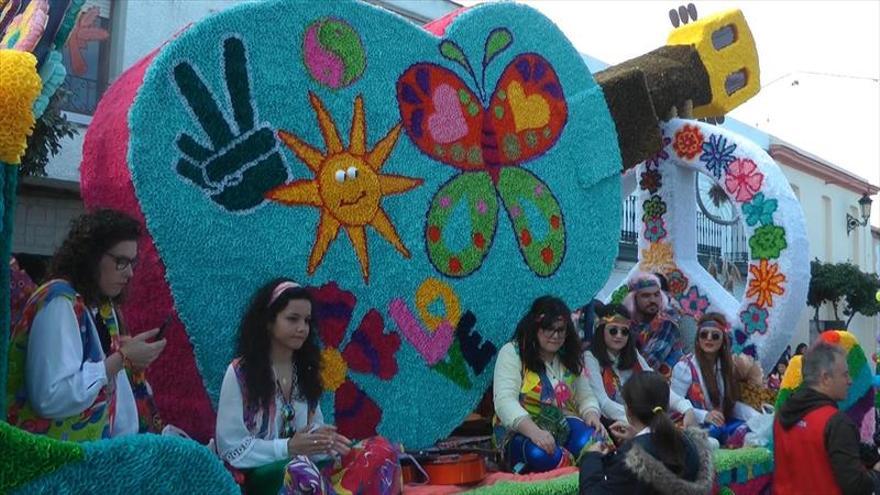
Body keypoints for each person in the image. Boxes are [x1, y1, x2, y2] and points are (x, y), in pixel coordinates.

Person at [215, 278, 400, 495]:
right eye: (293, 319)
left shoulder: (306, 370)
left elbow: (310, 433)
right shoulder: (240, 373)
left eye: (307, 321)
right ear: (268, 321)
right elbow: (231, 448)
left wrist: (324, 442)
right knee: (300, 471)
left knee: (380, 449)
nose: (302, 328)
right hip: (263, 475)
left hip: (307, 468)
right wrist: (288, 447)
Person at [6, 209, 165, 440]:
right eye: (121, 261)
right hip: (51, 465)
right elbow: (49, 399)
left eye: (133, 262)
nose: (130, 273)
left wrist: (127, 357)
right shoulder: (59, 303)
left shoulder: (98, 306)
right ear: (91, 257)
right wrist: (120, 360)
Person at [493, 296, 607, 473]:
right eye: (549, 329)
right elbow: (504, 402)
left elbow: (585, 395)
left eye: (561, 330)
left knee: (596, 442)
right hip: (521, 429)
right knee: (543, 455)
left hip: (563, 423)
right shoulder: (513, 352)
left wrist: (592, 414)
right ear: (535, 328)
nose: (556, 335)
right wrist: (535, 432)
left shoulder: (570, 354)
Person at [579, 372, 714, 494]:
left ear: (628, 410)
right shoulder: (690, 445)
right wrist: (638, 438)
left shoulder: (631, 459)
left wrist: (591, 458)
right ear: (666, 406)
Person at [774, 339, 880, 494]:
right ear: (825, 378)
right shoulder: (836, 423)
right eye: (845, 374)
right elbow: (855, 486)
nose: (850, 381)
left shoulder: (782, 414)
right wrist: (876, 473)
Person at [583, 303, 696, 428]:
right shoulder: (591, 357)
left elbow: (656, 386)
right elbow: (603, 402)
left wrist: (685, 407)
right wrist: (641, 422)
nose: (619, 336)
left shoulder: (632, 353)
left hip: (647, 420)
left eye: (624, 331)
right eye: (613, 330)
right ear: (601, 330)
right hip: (620, 424)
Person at [671, 313, 758, 447]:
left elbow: (731, 405)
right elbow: (675, 407)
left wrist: (755, 416)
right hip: (693, 427)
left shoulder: (727, 367)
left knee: (748, 428)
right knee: (716, 432)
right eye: (704, 334)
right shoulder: (685, 368)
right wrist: (705, 415)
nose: (709, 339)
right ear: (697, 339)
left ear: (723, 340)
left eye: (715, 335)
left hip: (721, 425)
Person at [623, 272, 684, 377]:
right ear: (633, 299)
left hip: (660, 386)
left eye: (656, 295)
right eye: (646, 296)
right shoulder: (628, 321)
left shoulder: (667, 322)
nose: (653, 300)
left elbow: (648, 364)